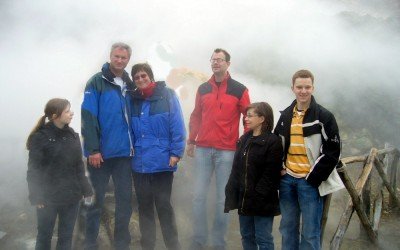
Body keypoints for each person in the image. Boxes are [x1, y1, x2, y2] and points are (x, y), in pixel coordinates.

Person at [187, 48, 251, 250]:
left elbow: (248, 118)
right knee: (198, 196)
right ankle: (198, 240)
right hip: (204, 149)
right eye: (213, 60)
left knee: (222, 198)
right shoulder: (203, 89)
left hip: (227, 150)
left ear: (228, 64)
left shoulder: (239, 89)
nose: (215, 63)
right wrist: (191, 140)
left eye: (220, 60)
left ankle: (218, 243)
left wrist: (244, 143)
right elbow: (196, 115)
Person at [274, 69, 341, 250]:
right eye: (299, 87)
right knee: (287, 228)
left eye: (307, 87)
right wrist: (280, 167)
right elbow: (276, 144)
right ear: (292, 88)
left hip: (309, 182)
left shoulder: (324, 117)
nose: (303, 91)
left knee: (310, 232)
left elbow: (333, 151)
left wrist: (313, 178)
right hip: (287, 180)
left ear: (313, 88)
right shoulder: (286, 116)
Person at [81, 42, 134, 250]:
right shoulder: (96, 82)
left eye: (123, 57)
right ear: (110, 56)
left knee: (124, 203)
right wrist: (93, 150)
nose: (119, 60)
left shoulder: (129, 84)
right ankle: (90, 244)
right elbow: (88, 117)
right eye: (116, 56)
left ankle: (122, 244)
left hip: (124, 156)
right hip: (100, 156)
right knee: (93, 202)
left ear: (128, 59)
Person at [129, 63, 186, 250]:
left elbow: (177, 124)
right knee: (144, 207)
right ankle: (148, 246)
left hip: (162, 162)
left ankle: (173, 245)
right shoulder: (132, 99)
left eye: (143, 75)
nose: (140, 79)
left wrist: (176, 152)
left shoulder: (167, 95)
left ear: (151, 76)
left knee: (163, 206)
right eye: (136, 77)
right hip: (140, 164)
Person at [27, 98, 93, 250]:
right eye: (67, 111)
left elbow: (78, 166)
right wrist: (36, 195)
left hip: (71, 196)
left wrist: (86, 189)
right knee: (44, 236)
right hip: (47, 197)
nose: (72, 113)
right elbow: (33, 169)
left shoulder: (73, 136)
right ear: (55, 115)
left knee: (66, 237)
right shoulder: (40, 138)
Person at [224, 102, 283, 250]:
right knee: (247, 236)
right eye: (246, 116)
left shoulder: (273, 141)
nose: (246, 119)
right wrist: (232, 190)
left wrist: (257, 195)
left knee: (263, 239)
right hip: (244, 199)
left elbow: (271, 174)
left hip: (262, 201)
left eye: (250, 116)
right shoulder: (244, 139)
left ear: (262, 119)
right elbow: (236, 168)